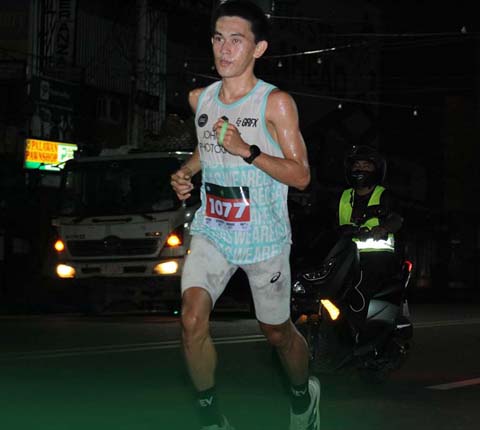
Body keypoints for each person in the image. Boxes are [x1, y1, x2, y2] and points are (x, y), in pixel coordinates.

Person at [170, 1, 320, 430]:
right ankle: (211, 419)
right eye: (219, 38)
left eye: (236, 40)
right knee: (191, 319)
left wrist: (247, 151)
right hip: (214, 229)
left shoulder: (276, 103)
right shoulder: (200, 99)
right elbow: (207, 146)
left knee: (276, 333)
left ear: (259, 48)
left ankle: (302, 396)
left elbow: (302, 175)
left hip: (264, 238)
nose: (225, 49)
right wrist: (186, 171)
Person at [337, 145, 403, 329]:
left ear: (377, 170)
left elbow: (397, 219)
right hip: (345, 257)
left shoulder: (384, 195)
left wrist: (383, 228)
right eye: (356, 165)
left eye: (366, 166)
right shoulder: (343, 196)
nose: (360, 170)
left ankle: (357, 331)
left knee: (358, 288)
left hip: (377, 258)